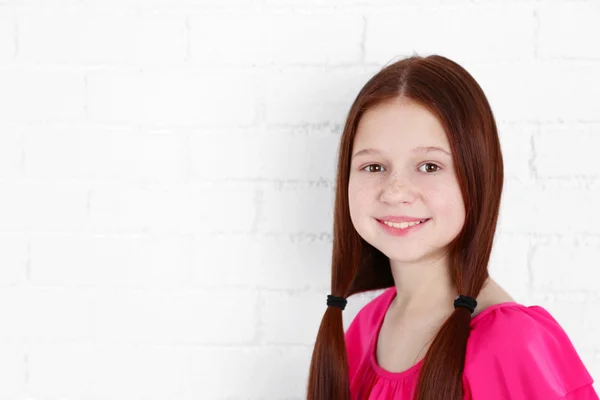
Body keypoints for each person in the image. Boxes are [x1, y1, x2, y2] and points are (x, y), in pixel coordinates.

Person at [305, 54, 598, 400]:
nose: (396, 191)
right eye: (373, 167)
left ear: (477, 178)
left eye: (429, 166)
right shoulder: (365, 329)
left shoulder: (512, 344)